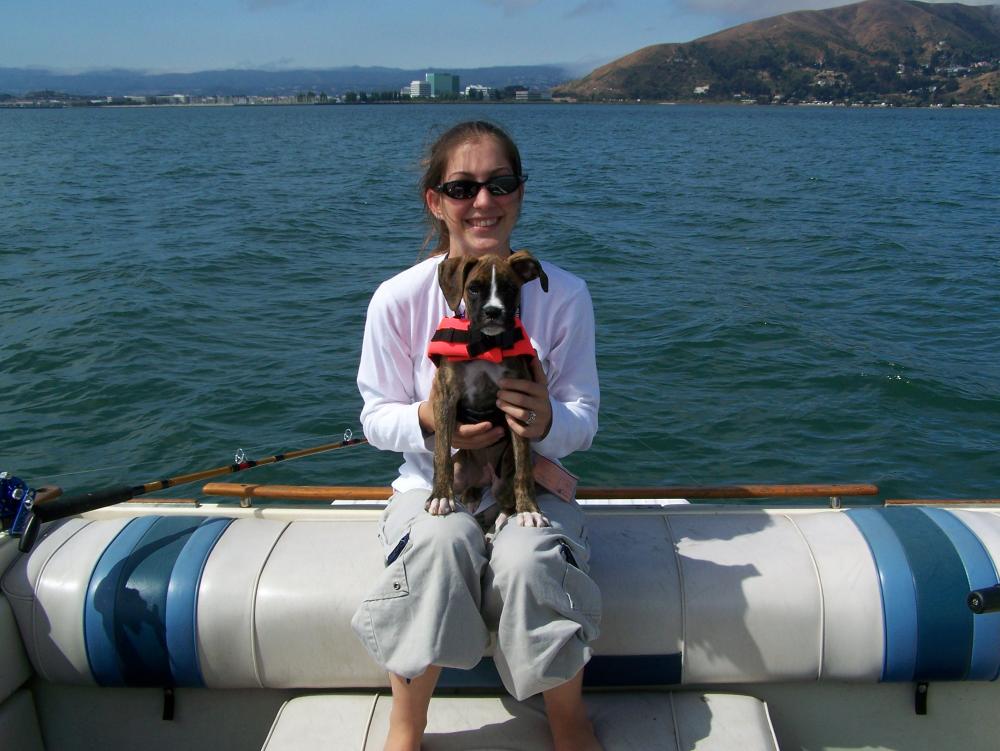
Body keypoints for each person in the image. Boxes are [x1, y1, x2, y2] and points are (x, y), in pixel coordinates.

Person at [351, 120, 602, 751]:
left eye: (500, 183)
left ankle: (568, 723)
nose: (483, 201)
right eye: (462, 188)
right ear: (435, 201)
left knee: (529, 558)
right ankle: (407, 726)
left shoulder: (564, 294)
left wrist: (546, 419)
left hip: (529, 480)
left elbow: (583, 419)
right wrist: (430, 419)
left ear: (520, 192)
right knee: (438, 545)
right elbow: (375, 416)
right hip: (435, 482)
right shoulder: (398, 298)